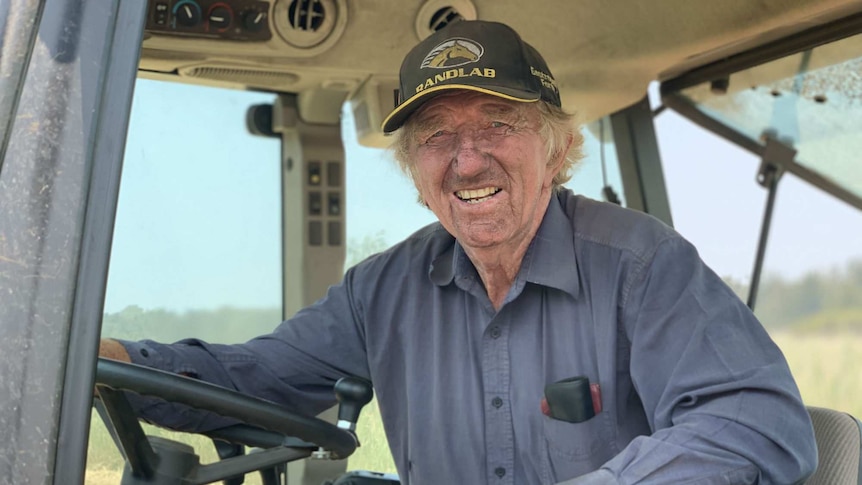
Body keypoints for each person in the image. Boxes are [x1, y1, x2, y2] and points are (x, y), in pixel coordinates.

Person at [100, 20, 817, 484]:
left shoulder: (642, 264)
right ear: (416, 173)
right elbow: (255, 380)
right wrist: (108, 364)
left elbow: (757, 420)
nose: (467, 161)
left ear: (559, 147)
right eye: (438, 136)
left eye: (498, 122)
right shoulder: (380, 292)